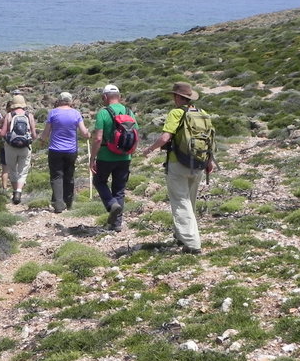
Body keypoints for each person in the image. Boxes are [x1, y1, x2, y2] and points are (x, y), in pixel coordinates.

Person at [141, 82, 214, 254]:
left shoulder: (176, 113)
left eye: (174, 96)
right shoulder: (203, 114)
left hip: (178, 163)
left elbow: (166, 136)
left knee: (181, 201)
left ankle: (193, 243)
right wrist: (209, 162)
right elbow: (210, 140)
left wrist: (150, 149)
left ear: (179, 97)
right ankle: (181, 235)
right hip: (198, 163)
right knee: (190, 201)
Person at [89, 84, 135, 231]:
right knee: (119, 189)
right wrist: (129, 153)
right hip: (124, 157)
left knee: (99, 181)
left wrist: (92, 158)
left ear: (104, 97)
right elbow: (136, 135)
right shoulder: (129, 111)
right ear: (119, 97)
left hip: (105, 156)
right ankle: (116, 225)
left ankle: (110, 204)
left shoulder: (103, 113)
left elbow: (98, 138)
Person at [38, 91, 90, 213]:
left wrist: (41, 140)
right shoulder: (76, 114)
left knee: (57, 176)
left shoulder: (53, 113)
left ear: (60, 100)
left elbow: (46, 133)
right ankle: (68, 202)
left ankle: (58, 204)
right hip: (71, 150)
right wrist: (88, 134)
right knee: (69, 175)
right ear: (70, 101)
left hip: (55, 149)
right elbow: (83, 132)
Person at [0, 94, 37, 204]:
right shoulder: (29, 116)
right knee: (23, 170)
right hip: (25, 146)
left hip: (10, 146)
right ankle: (19, 191)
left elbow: (2, 133)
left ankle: (15, 192)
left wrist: (3, 134)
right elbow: (34, 135)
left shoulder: (9, 115)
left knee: (12, 169)